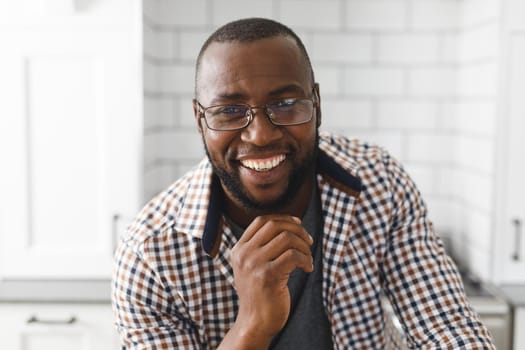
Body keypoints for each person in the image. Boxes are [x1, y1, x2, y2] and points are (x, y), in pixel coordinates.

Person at [112, 17, 495, 349]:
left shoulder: (379, 181)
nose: (260, 135)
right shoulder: (150, 255)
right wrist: (252, 326)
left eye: (284, 104)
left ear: (317, 105)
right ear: (200, 120)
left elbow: (444, 324)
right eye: (230, 111)